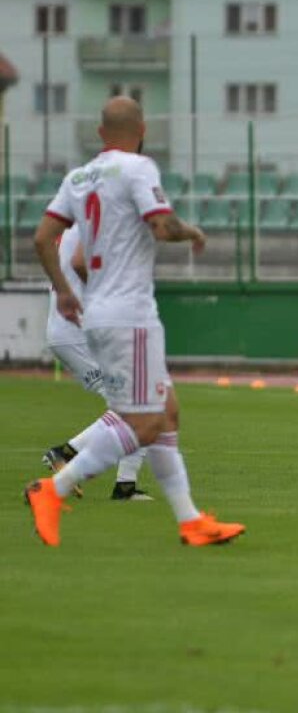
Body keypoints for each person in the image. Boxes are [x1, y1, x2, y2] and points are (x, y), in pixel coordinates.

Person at [23, 96, 245, 547]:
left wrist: (65, 292)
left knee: (167, 412)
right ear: (142, 129)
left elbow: (45, 239)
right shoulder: (138, 169)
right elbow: (162, 226)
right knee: (144, 423)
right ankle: (54, 489)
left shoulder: (79, 178)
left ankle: (190, 520)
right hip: (132, 315)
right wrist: (192, 232)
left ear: (100, 133)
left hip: (102, 314)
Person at [42, 223, 153, 501]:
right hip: (77, 332)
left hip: (70, 331)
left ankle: (125, 486)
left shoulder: (74, 224)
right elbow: (81, 264)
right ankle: (65, 453)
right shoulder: (94, 220)